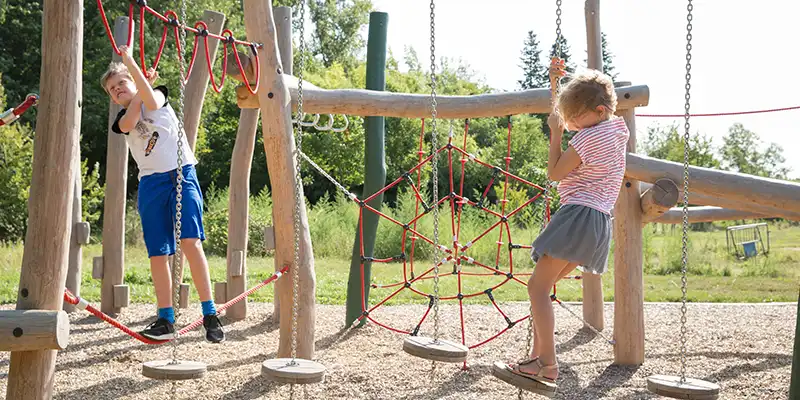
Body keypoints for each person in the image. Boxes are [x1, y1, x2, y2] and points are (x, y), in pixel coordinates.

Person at [507, 57, 629, 386]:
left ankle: (547, 364)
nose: (572, 122)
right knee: (543, 287)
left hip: (578, 215)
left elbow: (555, 173)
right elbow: (574, 105)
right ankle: (538, 358)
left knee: (537, 286)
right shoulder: (618, 131)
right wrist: (556, 82)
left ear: (600, 111)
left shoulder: (587, 139)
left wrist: (556, 135)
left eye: (577, 117)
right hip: (598, 223)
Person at [101, 45, 224, 343]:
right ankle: (166, 317)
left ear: (134, 80)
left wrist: (132, 64)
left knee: (190, 243)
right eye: (112, 89)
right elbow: (130, 122)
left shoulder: (158, 96)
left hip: (182, 175)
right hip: (152, 184)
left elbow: (151, 102)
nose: (117, 89)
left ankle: (210, 313)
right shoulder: (122, 120)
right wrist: (138, 89)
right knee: (159, 253)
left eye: (122, 83)